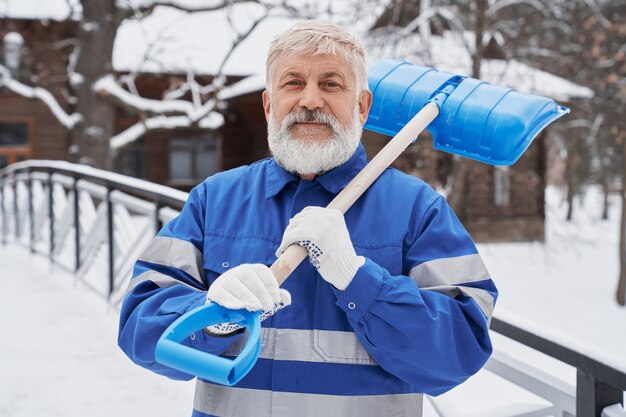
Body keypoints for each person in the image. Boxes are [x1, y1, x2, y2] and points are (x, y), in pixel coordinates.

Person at [118, 20, 497, 417]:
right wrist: (212, 315)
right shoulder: (214, 200)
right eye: (293, 83)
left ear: (362, 106)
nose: (310, 101)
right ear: (269, 105)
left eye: (331, 84)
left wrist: (358, 280)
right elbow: (139, 332)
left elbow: (460, 352)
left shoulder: (417, 209)